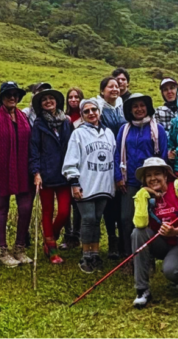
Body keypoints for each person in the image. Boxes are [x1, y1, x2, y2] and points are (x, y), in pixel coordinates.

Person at [63, 98, 117, 274]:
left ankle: (95, 253)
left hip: (103, 184)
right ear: (82, 115)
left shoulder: (108, 133)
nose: (91, 113)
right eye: (86, 111)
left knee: (96, 220)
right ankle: (86, 255)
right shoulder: (78, 134)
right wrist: (74, 182)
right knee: (87, 219)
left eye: (94, 109)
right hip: (85, 184)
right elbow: (71, 159)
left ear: (99, 111)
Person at [0, 81, 36, 268]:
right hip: (3, 170)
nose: (12, 97)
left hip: (23, 168)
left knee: (25, 207)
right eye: (8, 94)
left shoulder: (24, 118)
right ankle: (2, 250)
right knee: (2, 208)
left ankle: (20, 248)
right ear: (1, 98)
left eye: (15, 94)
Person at [130, 157, 178, 308]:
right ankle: (142, 290)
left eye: (157, 174)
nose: (153, 179)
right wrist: (142, 194)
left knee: (173, 272)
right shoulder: (144, 195)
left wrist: (177, 230)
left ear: (166, 175)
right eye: (148, 175)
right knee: (137, 233)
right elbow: (140, 224)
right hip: (160, 243)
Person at [116, 93, 170, 261]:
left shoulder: (157, 129)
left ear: (147, 107)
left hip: (152, 181)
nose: (139, 109)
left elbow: (163, 155)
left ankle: (148, 255)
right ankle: (129, 255)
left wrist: (161, 180)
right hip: (130, 180)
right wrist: (118, 176)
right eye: (135, 107)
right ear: (130, 110)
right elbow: (117, 153)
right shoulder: (124, 130)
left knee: (150, 219)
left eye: (142, 105)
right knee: (126, 218)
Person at [29, 87, 74, 264]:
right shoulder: (38, 125)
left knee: (64, 211)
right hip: (46, 175)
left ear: (57, 101)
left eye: (51, 98)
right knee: (47, 212)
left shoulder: (66, 122)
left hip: (64, 174)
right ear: (40, 105)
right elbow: (34, 150)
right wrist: (36, 173)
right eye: (44, 100)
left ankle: (49, 240)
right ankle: (53, 251)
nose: (48, 101)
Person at [93, 76, 125, 257]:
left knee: (122, 201)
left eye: (117, 86)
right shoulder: (99, 108)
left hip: (122, 158)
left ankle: (122, 240)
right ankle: (112, 239)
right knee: (109, 202)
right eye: (110, 86)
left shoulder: (121, 107)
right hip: (105, 158)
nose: (115, 89)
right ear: (103, 90)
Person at [61, 86, 87, 249]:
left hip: (81, 163)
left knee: (78, 201)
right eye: (70, 97)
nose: (73, 100)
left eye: (77, 97)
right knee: (66, 201)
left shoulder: (85, 118)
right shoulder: (63, 117)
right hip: (65, 161)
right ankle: (67, 233)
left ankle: (76, 234)